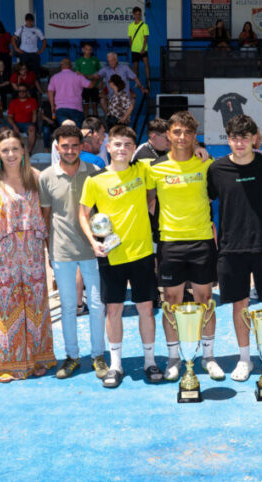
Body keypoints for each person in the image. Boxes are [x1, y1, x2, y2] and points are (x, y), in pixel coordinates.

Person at [79, 125, 162, 386]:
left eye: (127, 144)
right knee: (113, 310)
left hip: (142, 253)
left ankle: (150, 362)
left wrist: (200, 150)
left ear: (133, 147)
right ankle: (116, 365)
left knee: (146, 309)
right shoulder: (95, 180)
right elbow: (83, 214)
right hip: (111, 255)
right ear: (108, 147)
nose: (122, 149)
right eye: (117, 144)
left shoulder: (143, 170)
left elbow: (153, 193)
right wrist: (93, 242)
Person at [207, 115, 262, 382]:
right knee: (239, 304)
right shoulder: (216, 169)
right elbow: (204, 199)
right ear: (227, 140)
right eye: (234, 138)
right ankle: (244, 359)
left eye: (244, 137)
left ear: (255, 138)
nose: (239, 143)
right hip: (231, 248)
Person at [146, 111, 222, 381]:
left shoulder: (206, 164)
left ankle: (209, 357)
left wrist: (203, 151)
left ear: (194, 136)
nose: (181, 137)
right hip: (170, 243)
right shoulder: (154, 169)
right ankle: (174, 358)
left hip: (202, 241)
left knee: (205, 301)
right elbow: (147, 202)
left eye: (187, 133)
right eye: (176, 132)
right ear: (168, 134)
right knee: (172, 302)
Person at [0, 129, 54, 382]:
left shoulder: (36, 177)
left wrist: (49, 252)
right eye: (4, 150)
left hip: (32, 253)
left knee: (36, 307)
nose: (10, 154)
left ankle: (37, 359)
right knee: (4, 308)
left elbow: (46, 216)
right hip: (2, 256)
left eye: (15, 149)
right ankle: (5, 364)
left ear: (23, 151)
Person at [39, 125, 106, 380]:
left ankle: (98, 355)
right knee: (69, 307)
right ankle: (72, 356)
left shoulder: (95, 172)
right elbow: (46, 218)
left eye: (74, 145)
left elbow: (102, 213)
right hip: (62, 252)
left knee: (98, 305)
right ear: (57, 147)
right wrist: (50, 254)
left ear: (82, 146)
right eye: (64, 146)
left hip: (93, 250)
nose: (69, 150)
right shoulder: (46, 177)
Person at [48, 58, 93, 126]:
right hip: (76, 108)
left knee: (65, 131)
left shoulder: (55, 77)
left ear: (61, 66)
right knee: (77, 132)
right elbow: (90, 85)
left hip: (61, 108)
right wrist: (93, 77)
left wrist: (52, 106)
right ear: (71, 66)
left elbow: (50, 92)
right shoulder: (78, 76)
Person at [6, 85, 38, 153]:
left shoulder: (32, 101)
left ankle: (29, 151)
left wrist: (33, 124)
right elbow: (9, 117)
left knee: (32, 128)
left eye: (23, 91)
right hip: (16, 123)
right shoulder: (13, 102)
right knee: (6, 130)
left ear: (27, 92)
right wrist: (14, 126)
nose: (21, 93)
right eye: (20, 91)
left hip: (28, 123)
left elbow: (34, 114)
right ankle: (14, 151)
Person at [73, 42, 102, 117]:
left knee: (94, 107)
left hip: (94, 86)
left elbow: (100, 72)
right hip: (84, 87)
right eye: (87, 49)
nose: (88, 51)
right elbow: (77, 73)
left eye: (90, 49)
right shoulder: (79, 61)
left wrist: (100, 82)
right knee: (85, 107)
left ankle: (97, 124)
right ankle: (85, 124)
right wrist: (89, 76)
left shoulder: (95, 60)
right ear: (83, 50)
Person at [128, 6, 150, 84]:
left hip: (143, 49)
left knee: (146, 64)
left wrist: (143, 48)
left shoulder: (144, 25)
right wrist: (131, 47)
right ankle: (137, 82)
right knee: (135, 66)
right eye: (136, 14)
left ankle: (148, 81)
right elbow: (130, 38)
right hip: (134, 49)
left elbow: (145, 38)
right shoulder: (130, 26)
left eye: (139, 14)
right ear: (133, 15)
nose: (138, 16)